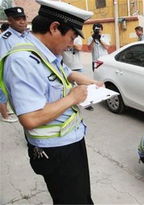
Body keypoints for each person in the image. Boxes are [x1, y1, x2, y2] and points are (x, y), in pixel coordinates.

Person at [0, 0, 104, 203]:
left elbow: (68, 73)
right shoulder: (23, 60)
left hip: (70, 139)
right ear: (54, 28)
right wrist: (72, 98)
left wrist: (95, 83)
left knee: (81, 196)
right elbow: (30, 118)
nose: (72, 44)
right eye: (72, 37)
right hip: (54, 149)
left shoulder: (45, 53)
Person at [0, 7, 31, 123]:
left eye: (23, 18)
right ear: (10, 21)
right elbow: (4, 62)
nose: (22, 21)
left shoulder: (27, 35)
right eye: (18, 19)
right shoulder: (5, 39)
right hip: (18, 78)